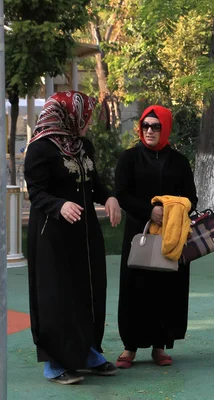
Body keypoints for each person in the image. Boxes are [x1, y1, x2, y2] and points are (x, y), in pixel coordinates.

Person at [24, 91, 122, 384]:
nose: (89, 121)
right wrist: (59, 205)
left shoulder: (83, 146)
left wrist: (110, 198)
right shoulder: (40, 148)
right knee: (57, 296)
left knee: (89, 291)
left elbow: (95, 183)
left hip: (85, 232)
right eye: (86, 115)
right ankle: (55, 362)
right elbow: (36, 192)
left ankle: (89, 352)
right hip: (52, 235)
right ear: (70, 115)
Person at [114, 105, 198, 368]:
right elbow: (122, 194)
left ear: (166, 128)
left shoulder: (179, 162)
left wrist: (170, 211)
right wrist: (150, 212)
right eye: (146, 126)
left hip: (170, 237)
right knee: (134, 288)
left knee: (166, 290)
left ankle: (160, 346)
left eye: (156, 126)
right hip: (139, 234)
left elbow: (191, 199)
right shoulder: (129, 158)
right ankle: (129, 348)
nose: (149, 131)